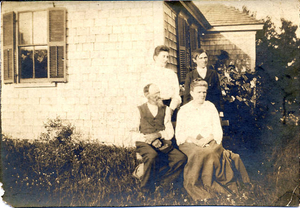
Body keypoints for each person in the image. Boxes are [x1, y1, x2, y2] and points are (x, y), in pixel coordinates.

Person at [176, 79, 251, 201]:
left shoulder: (210, 107)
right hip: (189, 142)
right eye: (199, 92)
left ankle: (211, 184)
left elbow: (217, 129)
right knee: (199, 152)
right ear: (192, 93)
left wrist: (207, 139)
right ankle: (201, 185)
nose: (202, 95)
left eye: (204, 92)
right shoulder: (184, 110)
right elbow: (180, 134)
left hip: (210, 139)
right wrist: (195, 142)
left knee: (210, 151)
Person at [130, 83, 187, 197]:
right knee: (152, 156)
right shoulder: (139, 109)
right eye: (155, 93)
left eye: (159, 93)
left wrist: (158, 135)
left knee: (181, 158)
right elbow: (133, 132)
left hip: (162, 141)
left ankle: (162, 183)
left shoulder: (165, 109)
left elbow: (170, 132)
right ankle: (145, 190)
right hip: (144, 142)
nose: (158, 96)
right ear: (147, 95)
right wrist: (149, 140)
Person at [140, 45, 181, 118]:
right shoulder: (147, 74)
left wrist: (170, 110)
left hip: (169, 106)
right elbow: (143, 94)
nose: (166, 59)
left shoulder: (171, 74)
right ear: (155, 58)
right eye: (163, 56)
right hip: (153, 107)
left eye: (167, 57)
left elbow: (176, 95)